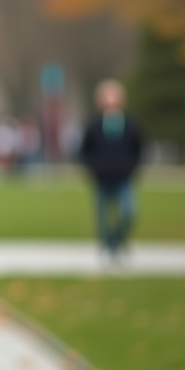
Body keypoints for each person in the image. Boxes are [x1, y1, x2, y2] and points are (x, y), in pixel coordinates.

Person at [78, 80, 144, 264]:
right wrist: (94, 167)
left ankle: (117, 240)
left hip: (124, 177)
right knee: (103, 217)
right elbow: (85, 151)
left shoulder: (129, 124)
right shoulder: (94, 125)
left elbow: (138, 148)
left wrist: (131, 166)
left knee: (129, 212)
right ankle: (108, 247)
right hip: (102, 177)